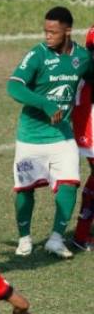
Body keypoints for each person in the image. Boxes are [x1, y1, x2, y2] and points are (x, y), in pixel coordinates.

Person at [7, 6, 94, 258]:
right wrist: (44, 103)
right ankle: (24, 238)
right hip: (31, 137)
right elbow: (13, 86)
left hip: (62, 136)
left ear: (67, 31)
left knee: (69, 185)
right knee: (25, 191)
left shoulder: (81, 58)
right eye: (45, 31)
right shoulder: (38, 55)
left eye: (53, 32)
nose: (47, 36)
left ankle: (56, 239)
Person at [71, 25, 94, 251]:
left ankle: (81, 233)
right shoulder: (90, 65)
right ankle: (81, 234)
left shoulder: (84, 61)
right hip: (89, 127)